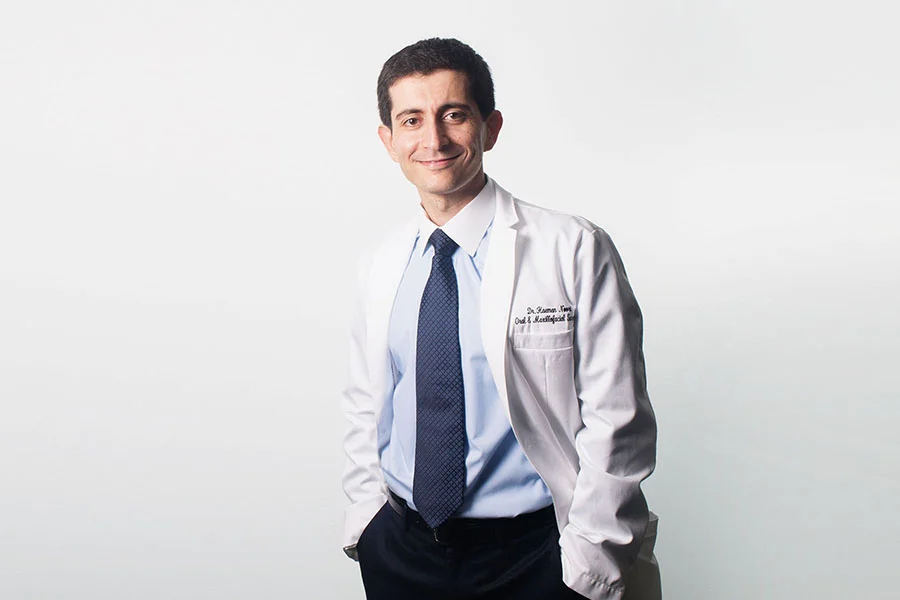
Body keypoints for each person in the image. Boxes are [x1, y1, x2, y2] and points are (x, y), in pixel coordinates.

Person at [341, 37, 659, 600]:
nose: (434, 139)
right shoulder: (380, 264)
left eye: (454, 115)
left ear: (490, 128)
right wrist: (369, 526)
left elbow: (618, 419)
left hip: (536, 558)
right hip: (404, 554)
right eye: (412, 120)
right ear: (388, 141)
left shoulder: (572, 248)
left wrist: (586, 566)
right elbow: (367, 403)